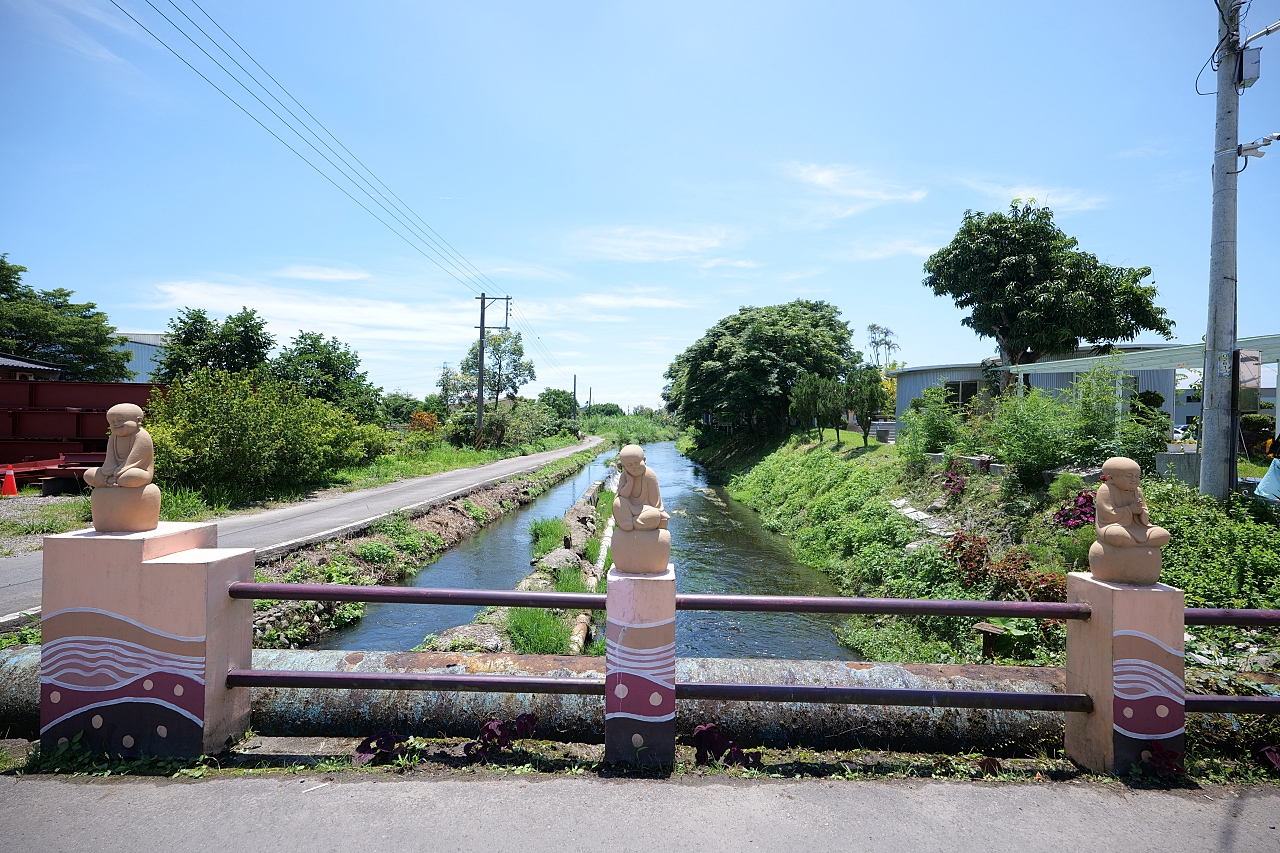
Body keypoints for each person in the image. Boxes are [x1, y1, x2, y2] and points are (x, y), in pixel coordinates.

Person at [84, 403, 154, 489]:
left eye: (120, 420)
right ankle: (116, 480)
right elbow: (110, 456)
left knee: (131, 476)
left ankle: (118, 480)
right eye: (112, 422)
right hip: (113, 472)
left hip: (134, 470)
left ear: (138, 421)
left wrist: (119, 471)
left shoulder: (141, 435)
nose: (116, 424)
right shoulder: (113, 436)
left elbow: (136, 458)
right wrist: (109, 470)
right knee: (89, 474)